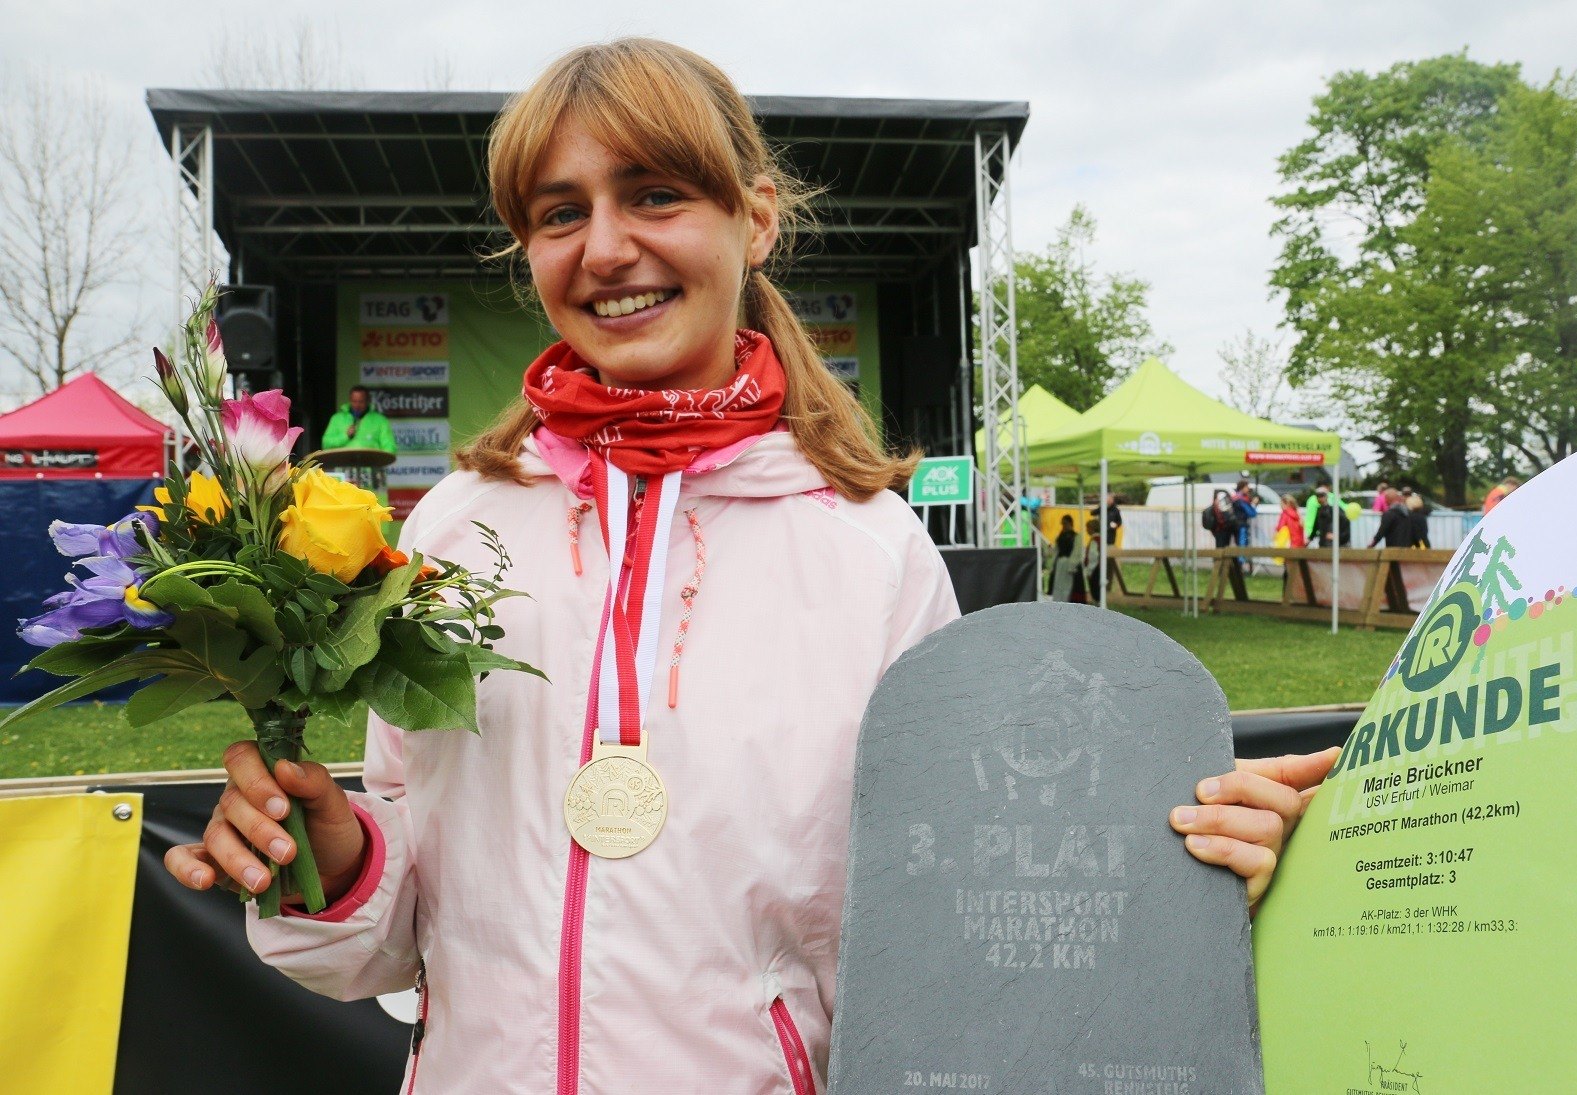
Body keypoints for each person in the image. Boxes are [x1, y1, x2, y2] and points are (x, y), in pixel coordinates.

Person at [161, 39, 1334, 1091]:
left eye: (656, 195)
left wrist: (1167, 865)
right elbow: (392, 934)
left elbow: (969, 903)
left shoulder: (872, 554)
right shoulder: (456, 528)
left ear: (755, 220)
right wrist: (335, 858)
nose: (608, 246)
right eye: (559, 213)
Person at [320, 385, 397, 453]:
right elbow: (326, 444)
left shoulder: (380, 420)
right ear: (350, 400)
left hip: (371, 466)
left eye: (361, 402)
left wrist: (379, 459)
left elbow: (389, 448)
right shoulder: (337, 418)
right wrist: (345, 436)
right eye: (354, 401)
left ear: (368, 401)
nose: (357, 405)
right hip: (343, 466)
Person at [1048, 513, 1084, 602]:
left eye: (1065, 523)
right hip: (1060, 565)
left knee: (1068, 587)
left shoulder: (1076, 537)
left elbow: (1077, 552)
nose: (1063, 526)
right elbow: (1056, 551)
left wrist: (1071, 565)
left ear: (1070, 523)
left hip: (1069, 565)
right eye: (1062, 523)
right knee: (1058, 586)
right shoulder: (1060, 536)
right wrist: (1053, 565)